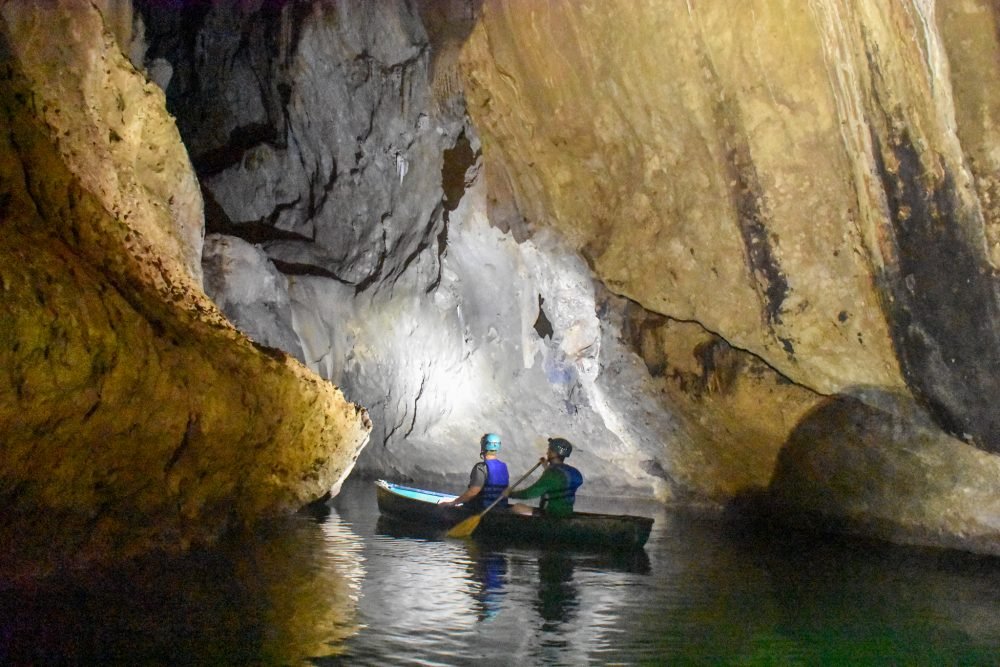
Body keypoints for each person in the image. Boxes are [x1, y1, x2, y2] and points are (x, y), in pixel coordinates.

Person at [508, 437, 583, 518]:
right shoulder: (574, 472)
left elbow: (530, 494)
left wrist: (510, 494)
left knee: (517, 507)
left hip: (550, 515)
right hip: (567, 514)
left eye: (549, 450)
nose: (547, 453)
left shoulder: (551, 474)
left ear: (554, 453)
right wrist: (546, 468)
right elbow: (559, 481)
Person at [439, 433, 510, 511]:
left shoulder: (481, 468)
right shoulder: (503, 467)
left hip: (482, 509)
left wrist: (453, 503)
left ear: (483, 446)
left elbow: (473, 492)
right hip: (499, 509)